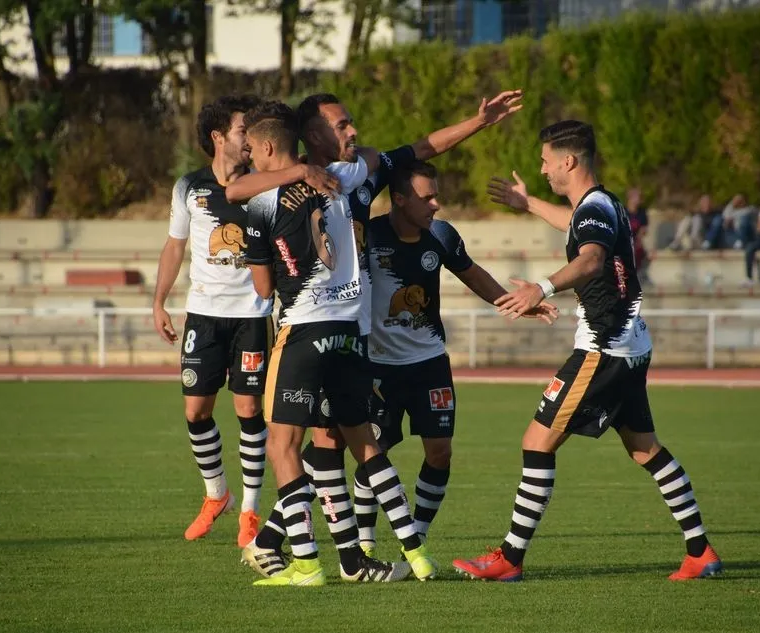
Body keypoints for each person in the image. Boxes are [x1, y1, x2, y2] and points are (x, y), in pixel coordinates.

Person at [230, 90, 523, 579]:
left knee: (321, 443)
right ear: (312, 134)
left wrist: (477, 123)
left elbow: (422, 148)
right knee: (333, 443)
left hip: (339, 328)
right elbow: (240, 188)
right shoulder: (320, 178)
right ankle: (350, 555)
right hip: (345, 328)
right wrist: (300, 172)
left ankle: (308, 552)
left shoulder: (356, 173)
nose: (353, 131)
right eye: (342, 124)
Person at [454, 120, 722, 582]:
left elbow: (592, 258)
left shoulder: (594, 209)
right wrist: (527, 203)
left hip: (603, 350)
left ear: (569, 161)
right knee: (645, 450)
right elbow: (576, 225)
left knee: (537, 441)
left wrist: (541, 287)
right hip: (630, 346)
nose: (542, 170)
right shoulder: (603, 204)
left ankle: (509, 559)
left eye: (545, 162)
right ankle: (700, 551)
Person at [242, 100, 434, 586]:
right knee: (360, 442)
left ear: (268, 149)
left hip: (303, 330)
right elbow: (374, 156)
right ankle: (414, 555)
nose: (249, 160)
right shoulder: (342, 179)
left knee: (283, 445)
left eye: (252, 151)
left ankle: (306, 564)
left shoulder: (260, 202)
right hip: (350, 331)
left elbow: (263, 287)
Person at [153, 95, 344, 548]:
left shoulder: (263, 184)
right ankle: (217, 494)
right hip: (204, 313)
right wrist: (159, 301)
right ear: (218, 137)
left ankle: (250, 512)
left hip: (253, 315)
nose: (248, 140)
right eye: (242, 131)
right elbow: (175, 245)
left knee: (249, 411)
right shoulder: (189, 187)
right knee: (196, 411)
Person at [350, 160, 558, 554]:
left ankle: (417, 536)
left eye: (437, 196)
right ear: (399, 199)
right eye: (427, 197)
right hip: (378, 366)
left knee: (440, 453)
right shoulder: (369, 236)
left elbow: (472, 273)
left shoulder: (441, 236)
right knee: (372, 450)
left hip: (430, 364)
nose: (436, 204)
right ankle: (365, 542)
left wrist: (513, 302)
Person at [625, 187, 650, 283]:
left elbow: (644, 229)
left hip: (637, 242)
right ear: (630, 198)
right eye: (637, 197)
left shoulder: (642, 212)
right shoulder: (622, 211)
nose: (639, 199)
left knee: (637, 249)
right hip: (625, 240)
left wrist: (638, 239)